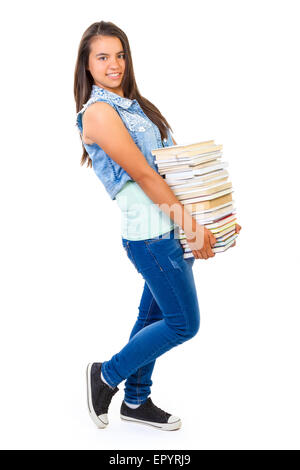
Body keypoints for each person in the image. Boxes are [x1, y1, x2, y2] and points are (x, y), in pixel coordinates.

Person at [74, 21, 241, 431]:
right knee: (184, 323)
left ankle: (135, 400)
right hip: (150, 235)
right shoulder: (97, 113)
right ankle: (106, 375)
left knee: (152, 320)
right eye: (103, 57)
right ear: (87, 65)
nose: (114, 64)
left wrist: (214, 221)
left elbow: (175, 172)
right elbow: (147, 178)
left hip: (171, 228)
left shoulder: (137, 106)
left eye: (120, 55)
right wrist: (189, 225)